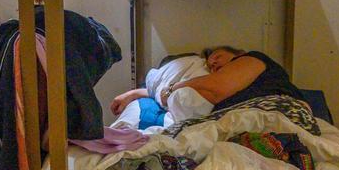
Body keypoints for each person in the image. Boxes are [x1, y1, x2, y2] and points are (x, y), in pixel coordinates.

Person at [110, 45, 304, 117]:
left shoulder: (252, 59)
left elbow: (215, 88)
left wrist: (171, 89)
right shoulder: (222, 82)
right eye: (210, 66)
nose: (213, 63)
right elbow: (160, 94)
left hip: (279, 114)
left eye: (218, 56)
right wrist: (133, 94)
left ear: (238, 53)